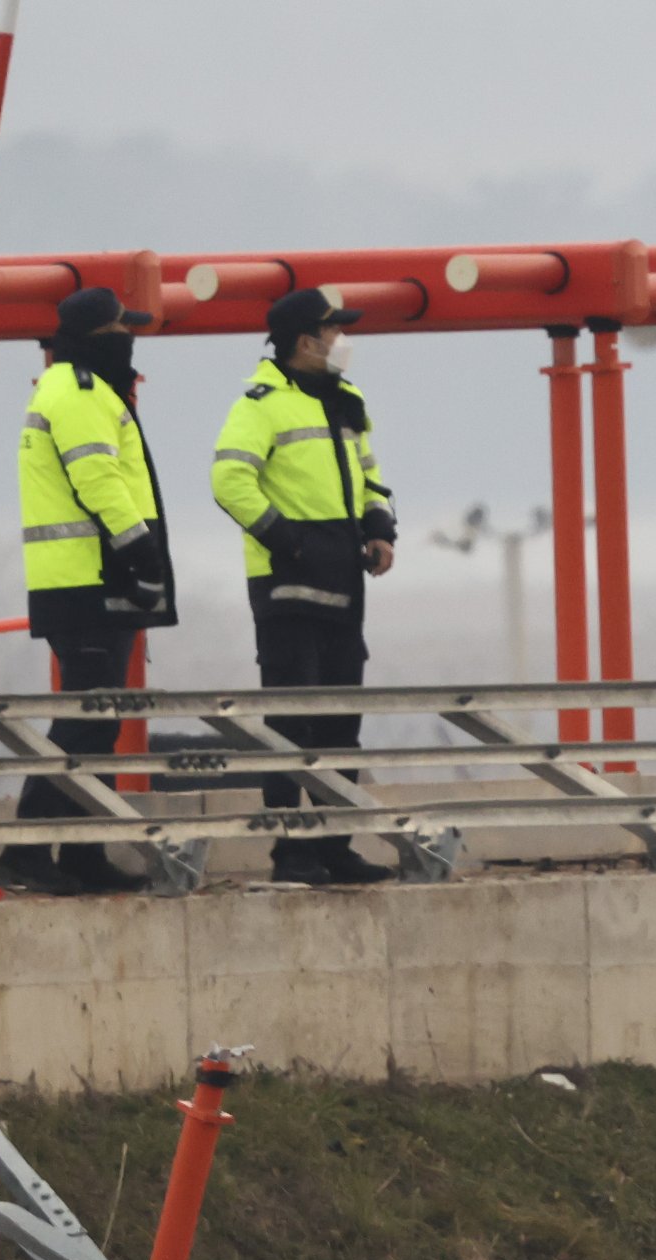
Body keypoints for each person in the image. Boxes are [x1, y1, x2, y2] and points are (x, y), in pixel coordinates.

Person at [209, 286, 394, 886]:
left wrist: (380, 527)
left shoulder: (347, 398)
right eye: (334, 330)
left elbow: (369, 474)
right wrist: (289, 544)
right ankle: (292, 851)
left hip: (344, 587)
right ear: (305, 341)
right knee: (291, 723)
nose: (342, 340)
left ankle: (336, 847)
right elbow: (229, 480)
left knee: (342, 725)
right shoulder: (260, 404)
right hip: (289, 592)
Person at [6, 285, 173, 895]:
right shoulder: (76, 391)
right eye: (119, 330)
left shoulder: (84, 387)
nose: (127, 339)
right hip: (86, 580)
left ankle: (81, 853)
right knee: (83, 722)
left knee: (97, 724)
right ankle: (24, 853)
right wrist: (141, 547)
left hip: (91, 576)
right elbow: (97, 476)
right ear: (97, 337)